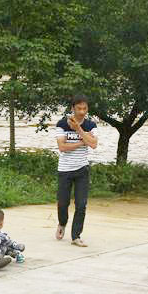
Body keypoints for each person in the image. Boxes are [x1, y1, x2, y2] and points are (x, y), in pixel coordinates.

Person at [55, 94, 98, 247]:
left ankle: (76, 236)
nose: (81, 111)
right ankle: (62, 223)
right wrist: (82, 142)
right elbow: (63, 147)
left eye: (84, 108)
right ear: (72, 108)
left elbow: (93, 144)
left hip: (82, 170)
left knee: (81, 205)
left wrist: (78, 129)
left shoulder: (90, 125)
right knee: (62, 203)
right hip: (65, 169)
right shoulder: (61, 124)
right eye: (78, 108)